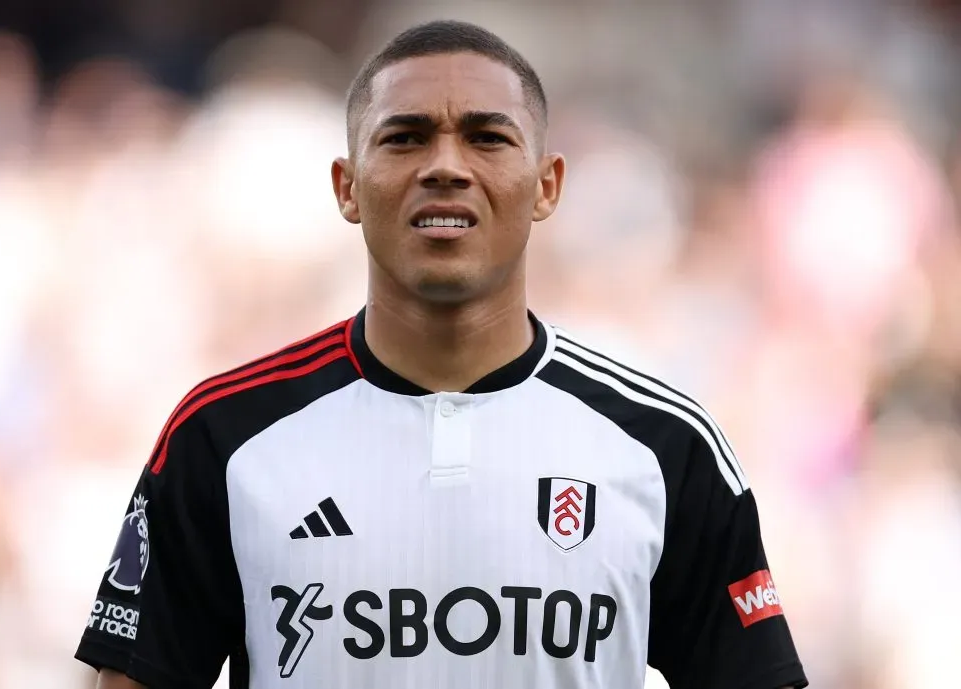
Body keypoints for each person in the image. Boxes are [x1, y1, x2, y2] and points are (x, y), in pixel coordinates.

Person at [76, 19, 808, 689]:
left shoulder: (664, 444)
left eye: (487, 137)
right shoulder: (224, 434)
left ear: (547, 184)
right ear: (347, 186)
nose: (446, 166)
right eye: (405, 137)